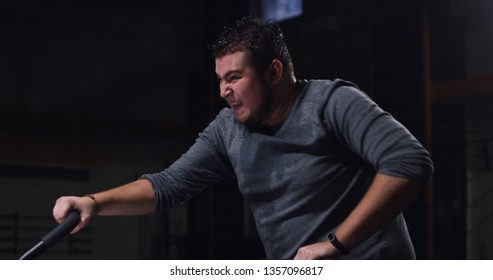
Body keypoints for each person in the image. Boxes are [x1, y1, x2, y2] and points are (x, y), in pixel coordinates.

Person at [53, 16, 433, 259]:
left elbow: (408, 163)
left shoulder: (331, 102)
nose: (223, 91)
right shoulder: (228, 129)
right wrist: (93, 202)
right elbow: (168, 186)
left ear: (273, 72)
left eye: (234, 77)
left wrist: (335, 245)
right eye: (219, 80)